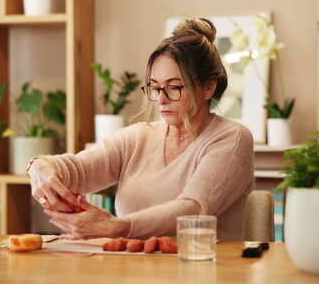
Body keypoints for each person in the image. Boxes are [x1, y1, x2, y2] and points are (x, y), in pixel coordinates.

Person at [28, 17, 255, 241]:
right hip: (136, 271)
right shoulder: (138, 137)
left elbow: (193, 209)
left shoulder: (232, 139)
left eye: (174, 87)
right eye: (155, 88)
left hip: (207, 270)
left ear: (208, 87)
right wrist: (40, 167)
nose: (161, 99)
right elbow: (79, 169)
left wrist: (118, 227)